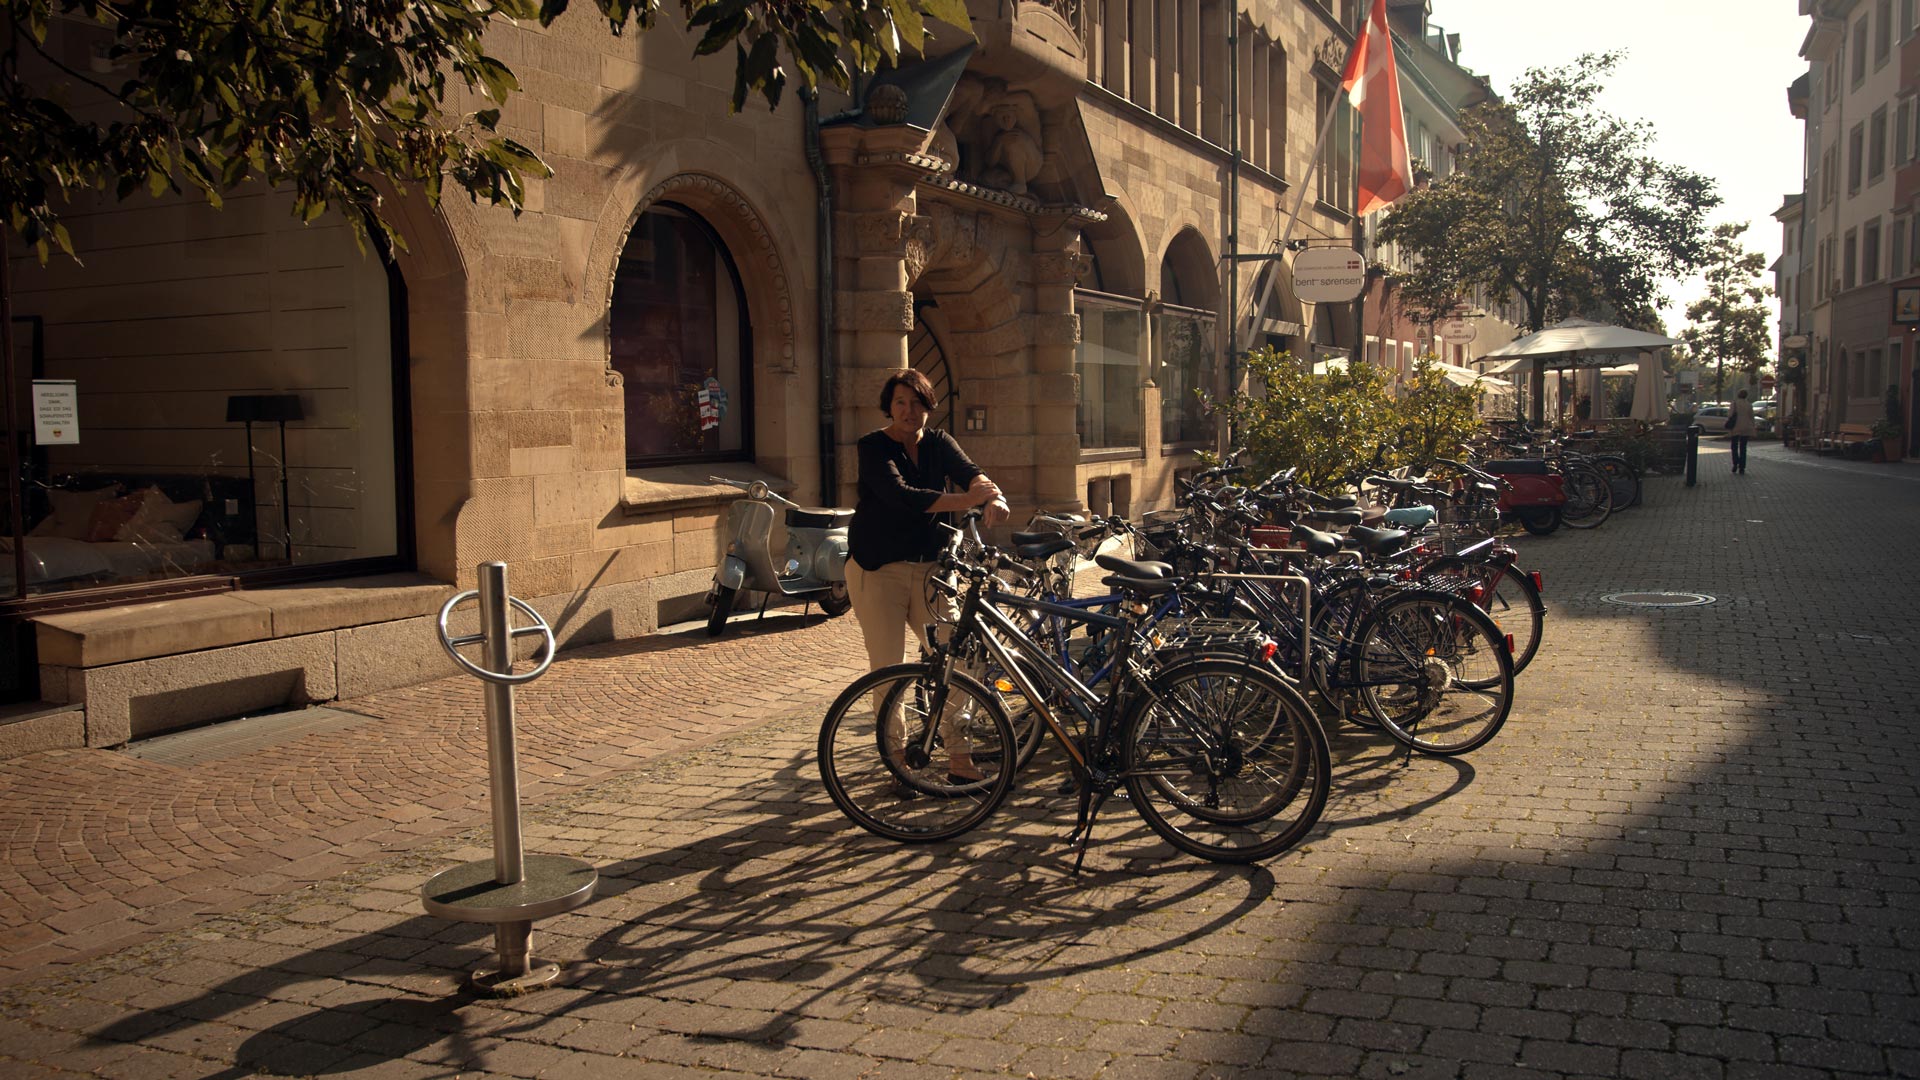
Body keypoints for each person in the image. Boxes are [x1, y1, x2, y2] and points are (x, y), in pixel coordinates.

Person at [847, 369, 1009, 780]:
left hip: (932, 568)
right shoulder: (872, 446)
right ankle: (899, 762)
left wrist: (993, 494)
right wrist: (968, 498)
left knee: (958, 661)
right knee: (889, 669)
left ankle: (959, 758)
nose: (908, 411)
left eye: (917, 403)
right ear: (890, 406)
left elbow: (971, 470)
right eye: (900, 402)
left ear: (928, 406)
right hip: (877, 569)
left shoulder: (939, 442)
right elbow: (901, 496)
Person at [1728, 387, 1757, 474]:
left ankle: (1735, 463)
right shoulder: (1749, 404)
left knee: (1734, 446)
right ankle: (1742, 467)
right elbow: (1752, 417)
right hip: (1746, 427)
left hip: (1736, 427)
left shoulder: (1735, 403)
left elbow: (1730, 414)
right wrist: (1753, 427)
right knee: (1743, 447)